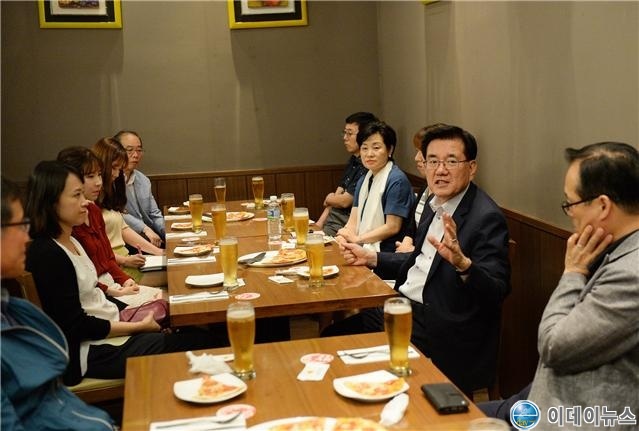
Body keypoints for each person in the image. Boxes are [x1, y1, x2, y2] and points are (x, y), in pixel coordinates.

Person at [323, 123, 511, 395]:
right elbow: (419, 261)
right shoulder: (435, 204)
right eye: (432, 161)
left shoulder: (485, 217)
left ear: (471, 168)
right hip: (404, 308)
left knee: (353, 359)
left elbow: (497, 291)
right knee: (331, 342)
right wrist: (371, 257)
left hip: (441, 325)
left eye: (451, 161)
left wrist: (463, 265)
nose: (440, 170)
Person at [483, 142, 639, 430]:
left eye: (570, 203)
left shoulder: (632, 274)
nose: (570, 213)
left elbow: (554, 346)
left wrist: (573, 272)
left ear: (603, 206)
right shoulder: (616, 249)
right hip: (542, 403)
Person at [25, 161, 216, 385]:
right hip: (91, 351)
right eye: (76, 195)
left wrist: (135, 314)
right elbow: (76, 325)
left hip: (109, 328)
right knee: (206, 342)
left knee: (197, 327)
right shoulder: (48, 253)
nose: (85, 202)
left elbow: (95, 296)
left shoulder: (71, 240)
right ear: (51, 201)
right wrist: (138, 327)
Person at [1, 176, 115, 430]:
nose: (26, 237)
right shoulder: (49, 253)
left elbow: (49, 401)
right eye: (20, 226)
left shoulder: (12, 310)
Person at [58, 146, 163, 305]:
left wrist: (125, 280)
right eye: (91, 176)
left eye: (99, 174)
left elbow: (106, 257)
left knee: (168, 297)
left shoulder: (93, 210)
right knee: (166, 299)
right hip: (103, 292)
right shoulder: (69, 222)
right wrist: (116, 286)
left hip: (113, 281)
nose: (99, 182)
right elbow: (86, 280)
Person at [92, 137, 164, 283]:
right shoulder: (88, 202)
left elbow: (124, 229)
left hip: (127, 260)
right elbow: (94, 250)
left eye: (119, 169)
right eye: (114, 167)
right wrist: (124, 260)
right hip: (114, 268)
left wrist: (159, 252)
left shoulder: (110, 194)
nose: (117, 174)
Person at [335, 121, 415, 252]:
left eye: (376, 148)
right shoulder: (364, 180)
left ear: (390, 150)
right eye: (364, 148)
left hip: (388, 251)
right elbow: (353, 221)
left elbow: (392, 227)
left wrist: (357, 239)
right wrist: (343, 236)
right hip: (362, 245)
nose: (369, 154)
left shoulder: (396, 180)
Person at [316, 112, 378, 236]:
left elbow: (344, 201)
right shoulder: (354, 160)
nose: (345, 138)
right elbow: (338, 194)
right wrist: (319, 224)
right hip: (333, 224)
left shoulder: (368, 166)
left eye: (349, 133)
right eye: (344, 133)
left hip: (345, 226)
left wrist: (329, 198)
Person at [114, 130, 165, 247]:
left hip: (153, 238)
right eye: (129, 150)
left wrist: (166, 232)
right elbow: (117, 213)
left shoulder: (143, 180)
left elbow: (154, 214)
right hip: (127, 242)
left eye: (139, 150)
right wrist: (144, 228)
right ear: (116, 152)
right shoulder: (111, 181)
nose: (136, 155)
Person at [395, 125, 439, 253]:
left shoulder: (443, 192)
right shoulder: (426, 185)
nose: (416, 158)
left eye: (422, 151)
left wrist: (411, 251)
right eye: (416, 151)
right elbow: (412, 226)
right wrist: (406, 243)